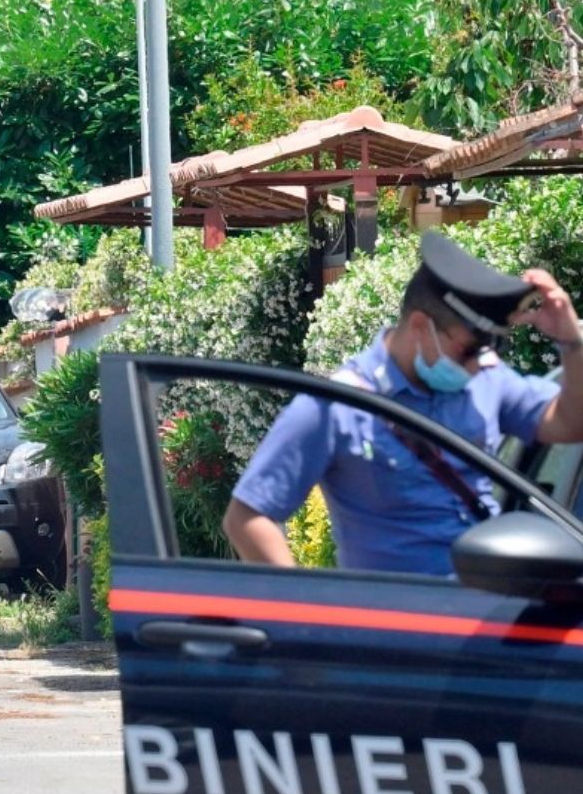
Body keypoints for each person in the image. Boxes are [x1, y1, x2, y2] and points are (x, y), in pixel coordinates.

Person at [223, 231, 583, 576]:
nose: (477, 364)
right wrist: (306, 608)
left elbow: (569, 424)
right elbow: (247, 517)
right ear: (421, 326)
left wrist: (571, 342)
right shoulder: (338, 406)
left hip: (488, 603)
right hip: (401, 611)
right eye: (468, 349)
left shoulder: (485, 379)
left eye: (490, 347)